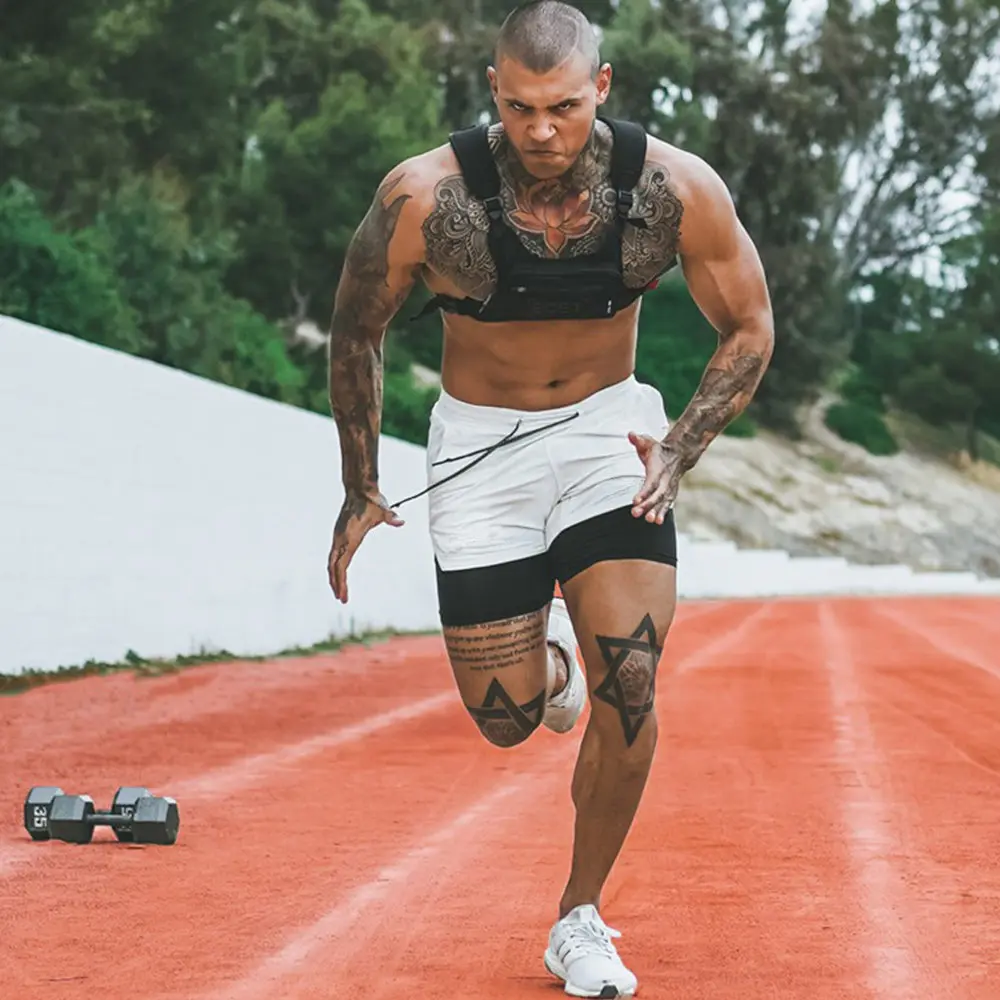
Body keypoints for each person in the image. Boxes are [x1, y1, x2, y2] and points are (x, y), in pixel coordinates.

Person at [325, 1, 774, 995]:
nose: (540, 130)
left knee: (635, 682)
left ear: (600, 88)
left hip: (607, 437)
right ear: (493, 90)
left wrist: (680, 445)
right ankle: (555, 668)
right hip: (480, 450)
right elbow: (356, 329)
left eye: (563, 107)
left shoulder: (672, 190)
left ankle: (580, 916)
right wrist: (359, 484)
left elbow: (749, 324)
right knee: (507, 719)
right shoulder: (422, 197)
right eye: (520, 107)